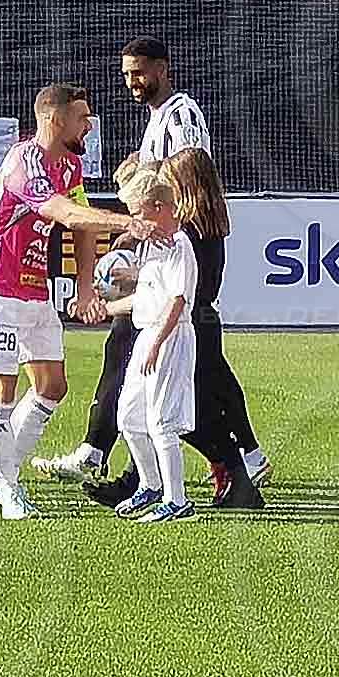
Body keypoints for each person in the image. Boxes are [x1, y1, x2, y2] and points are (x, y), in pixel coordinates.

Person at [0, 80, 150, 519]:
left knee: (52, 386)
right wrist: (127, 221)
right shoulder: (25, 161)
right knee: (2, 393)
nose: (89, 126)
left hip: (33, 286)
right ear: (55, 118)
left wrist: (85, 286)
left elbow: (80, 226)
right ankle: (9, 489)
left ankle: (0, 476)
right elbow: (65, 213)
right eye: (82, 118)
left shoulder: (69, 166)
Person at [44, 35, 219, 484]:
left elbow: (184, 179)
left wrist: (156, 243)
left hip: (182, 246)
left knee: (143, 349)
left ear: (162, 68)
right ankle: (239, 461)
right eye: (126, 74)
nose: (132, 82)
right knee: (201, 365)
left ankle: (109, 458)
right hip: (165, 245)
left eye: (139, 72)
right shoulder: (158, 118)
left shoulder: (181, 115)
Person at [84, 146, 266, 513]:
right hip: (194, 324)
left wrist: (134, 278)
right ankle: (158, 480)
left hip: (185, 328)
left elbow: (178, 292)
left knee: (181, 415)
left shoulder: (188, 236)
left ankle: (204, 480)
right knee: (170, 411)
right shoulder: (204, 228)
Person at [107, 161, 201, 522]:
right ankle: (150, 485)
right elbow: (146, 295)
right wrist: (110, 305)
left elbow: (177, 300)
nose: (134, 221)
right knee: (129, 416)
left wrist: (159, 342)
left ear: (158, 209)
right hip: (147, 334)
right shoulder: (151, 248)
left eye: (137, 213)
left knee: (162, 420)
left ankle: (177, 500)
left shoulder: (179, 245)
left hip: (170, 337)